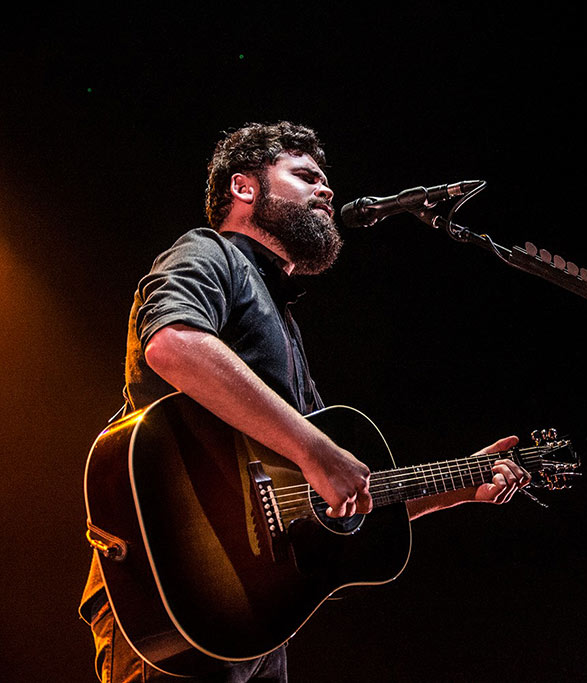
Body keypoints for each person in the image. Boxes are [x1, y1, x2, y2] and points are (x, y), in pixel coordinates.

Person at [80, 121, 531, 682]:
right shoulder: (209, 252)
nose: (327, 190)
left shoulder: (284, 323)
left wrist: (454, 490)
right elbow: (173, 343)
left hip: (257, 617)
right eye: (304, 175)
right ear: (244, 188)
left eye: (325, 180)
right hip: (170, 590)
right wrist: (315, 448)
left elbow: (332, 499)